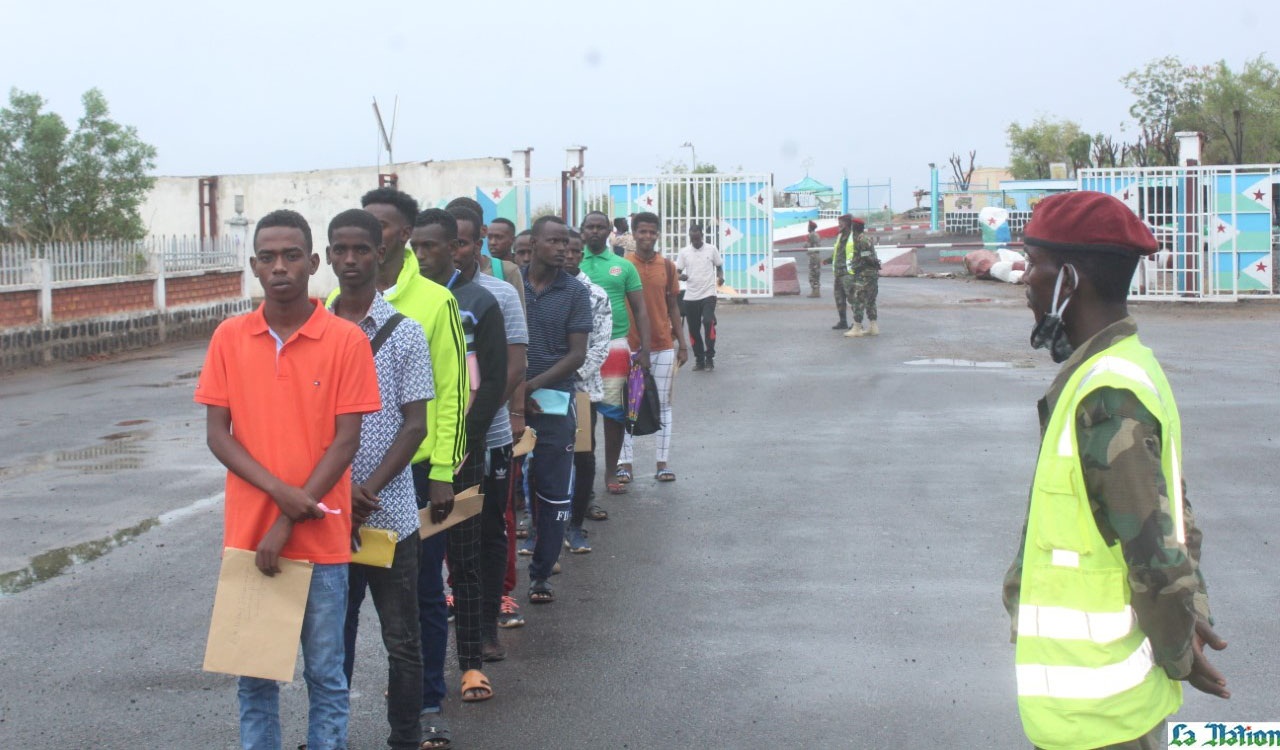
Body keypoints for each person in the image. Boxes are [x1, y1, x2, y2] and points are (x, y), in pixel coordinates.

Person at [1002, 191, 1229, 750]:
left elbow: (1155, 548)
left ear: (1069, 280)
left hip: (1104, 716)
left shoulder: (1108, 395)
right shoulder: (1121, 367)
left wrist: (1180, 648)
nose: (1025, 280)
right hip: (1098, 706)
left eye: (1034, 263)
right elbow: (1173, 512)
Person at [195, 209, 381, 750]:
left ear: (313, 263)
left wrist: (288, 519)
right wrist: (281, 497)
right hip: (250, 540)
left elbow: (346, 441)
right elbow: (218, 435)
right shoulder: (229, 337)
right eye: (268, 257)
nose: (280, 267)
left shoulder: (345, 340)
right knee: (255, 681)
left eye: (291, 256)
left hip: (321, 540)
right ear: (254, 266)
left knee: (326, 676)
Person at [355, 188, 469, 749]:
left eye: (382, 226)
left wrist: (444, 470)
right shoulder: (336, 303)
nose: (370, 236)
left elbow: (450, 391)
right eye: (363, 225)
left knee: (420, 597)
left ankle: (426, 704)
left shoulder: (433, 301)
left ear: (403, 234)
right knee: (340, 606)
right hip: (347, 483)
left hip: (415, 475)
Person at [326, 209, 430, 750]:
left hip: (389, 515)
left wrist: (367, 491)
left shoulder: (405, 332)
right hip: (327, 513)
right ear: (327, 256)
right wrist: (339, 491)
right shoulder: (314, 333)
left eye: (361, 249)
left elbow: (415, 424)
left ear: (379, 253)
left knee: (402, 641)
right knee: (330, 641)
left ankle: (405, 738)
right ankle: (329, 736)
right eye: (340, 250)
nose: (350, 260)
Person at [410, 208, 498, 711]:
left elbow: (490, 383)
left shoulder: (479, 302)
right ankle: (417, 674)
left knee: (463, 562)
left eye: (432, 247)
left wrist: (461, 446)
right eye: (416, 247)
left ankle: (470, 663)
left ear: (455, 248)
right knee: (414, 573)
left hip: (465, 455)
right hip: (419, 459)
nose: (423, 256)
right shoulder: (402, 304)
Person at [448, 204, 527, 661]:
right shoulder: (423, 297)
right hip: (437, 442)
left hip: (489, 436)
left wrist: (478, 420)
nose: (454, 252)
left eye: (461, 243)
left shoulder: (499, 294)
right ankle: (457, 611)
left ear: (477, 245)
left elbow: (513, 365)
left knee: (489, 529)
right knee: (446, 531)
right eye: (447, 243)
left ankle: (486, 624)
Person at [520, 215, 591, 603]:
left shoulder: (575, 292)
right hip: (510, 402)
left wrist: (532, 386)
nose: (563, 248)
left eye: (566, 242)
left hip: (554, 401)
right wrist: (514, 391)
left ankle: (541, 573)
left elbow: (576, 355)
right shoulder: (512, 286)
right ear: (533, 243)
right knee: (506, 491)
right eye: (554, 241)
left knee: (552, 491)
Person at [578, 210, 651, 497]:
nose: (595, 231)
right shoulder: (574, 263)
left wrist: (645, 349)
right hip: (580, 350)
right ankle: (583, 478)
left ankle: (611, 472)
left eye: (600, 227)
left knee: (614, 415)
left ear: (609, 231)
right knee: (584, 417)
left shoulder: (623, 266)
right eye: (590, 227)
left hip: (616, 347)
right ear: (582, 231)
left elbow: (640, 309)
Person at [620, 211, 688, 482]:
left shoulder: (667, 267)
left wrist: (682, 344)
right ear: (634, 234)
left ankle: (662, 464)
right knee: (626, 405)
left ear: (658, 234)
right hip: (628, 346)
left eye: (652, 232)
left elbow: (673, 306)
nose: (647, 236)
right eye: (642, 231)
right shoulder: (623, 265)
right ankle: (625, 465)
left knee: (663, 405)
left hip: (662, 345)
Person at [564, 228, 612, 553]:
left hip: (581, 390)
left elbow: (600, 346)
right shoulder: (536, 291)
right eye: (562, 249)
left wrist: (569, 374)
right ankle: (541, 527)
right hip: (543, 389)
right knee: (542, 459)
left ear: (581, 255)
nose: (567, 255)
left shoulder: (595, 295)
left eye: (573, 251)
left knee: (582, 456)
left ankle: (576, 525)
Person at [676, 223, 723, 372]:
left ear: (702, 236)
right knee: (694, 329)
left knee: (708, 322)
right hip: (691, 296)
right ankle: (699, 360)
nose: (695, 241)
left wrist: (720, 277)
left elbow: (719, 267)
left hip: (708, 293)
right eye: (692, 239)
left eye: (697, 238)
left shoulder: (711, 249)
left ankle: (710, 358)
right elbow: (677, 272)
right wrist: (681, 277)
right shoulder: (684, 252)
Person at [842, 216, 880, 338]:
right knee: (871, 300)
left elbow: (866, 256)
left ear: (855, 227)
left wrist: (860, 265)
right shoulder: (864, 238)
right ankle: (873, 327)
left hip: (864, 275)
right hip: (871, 274)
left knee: (858, 299)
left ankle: (857, 328)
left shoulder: (861, 239)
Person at [825, 214, 855, 329]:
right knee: (839, 299)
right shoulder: (839, 236)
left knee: (853, 299)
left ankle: (857, 324)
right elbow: (837, 252)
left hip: (848, 274)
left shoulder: (854, 236)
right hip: (838, 273)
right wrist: (828, 260)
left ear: (847, 223)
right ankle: (843, 322)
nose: (839, 225)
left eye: (840, 223)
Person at [806, 220, 821, 298]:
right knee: (816, 274)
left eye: (808, 226)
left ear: (810, 227)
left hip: (813, 256)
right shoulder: (816, 234)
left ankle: (815, 291)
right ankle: (816, 290)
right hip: (816, 255)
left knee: (813, 274)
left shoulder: (811, 235)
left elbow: (807, 245)